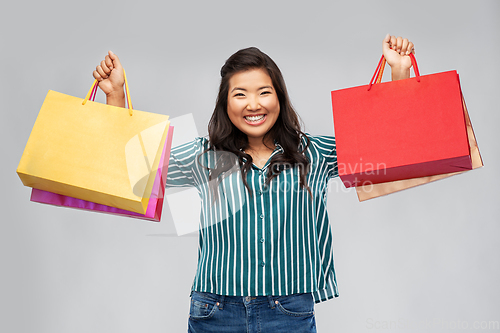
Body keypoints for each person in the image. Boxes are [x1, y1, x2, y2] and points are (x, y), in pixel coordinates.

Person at [92, 34, 415, 333]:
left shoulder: (314, 154)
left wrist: (398, 74)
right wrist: (116, 95)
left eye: (264, 92)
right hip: (214, 311)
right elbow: (134, 168)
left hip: (288, 311)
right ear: (226, 103)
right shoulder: (204, 156)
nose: (253, 104)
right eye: (240, 94)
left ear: (279, 97)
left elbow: (388, 149)